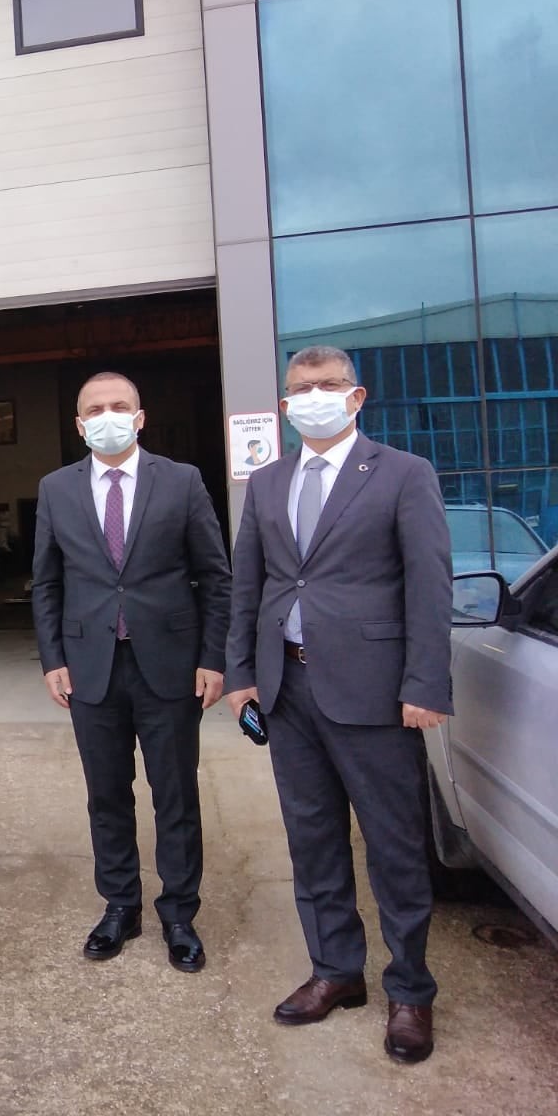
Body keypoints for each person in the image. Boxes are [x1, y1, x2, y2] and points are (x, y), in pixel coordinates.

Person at [224, 346, 451, 1064]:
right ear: (285, 404)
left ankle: (410, 990)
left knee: (393, 846)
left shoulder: (403, 474)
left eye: (327, 385)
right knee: (313, 839)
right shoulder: (268, 481)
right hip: (288, 689)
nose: (313, 396)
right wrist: (241, 674)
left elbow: (429, 583)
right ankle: (336, 971)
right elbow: (249, 585)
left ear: (356, 397)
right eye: (301, 388)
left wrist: (425, 684)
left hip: (375, 692)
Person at [32, 372, 231, 972]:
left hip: (170, 666)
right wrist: (53, 658)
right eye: (95, 409)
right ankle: (120, 904)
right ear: (79, 425)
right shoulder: (55, 489)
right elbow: (47, 581)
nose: (108, 416)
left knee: (176, 794)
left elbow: (215, 576)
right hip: (91, 667)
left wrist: (213, 657)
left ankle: (179, 913)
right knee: (106, 795)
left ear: (140, 418)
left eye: (119, 406)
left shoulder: (182, 481)